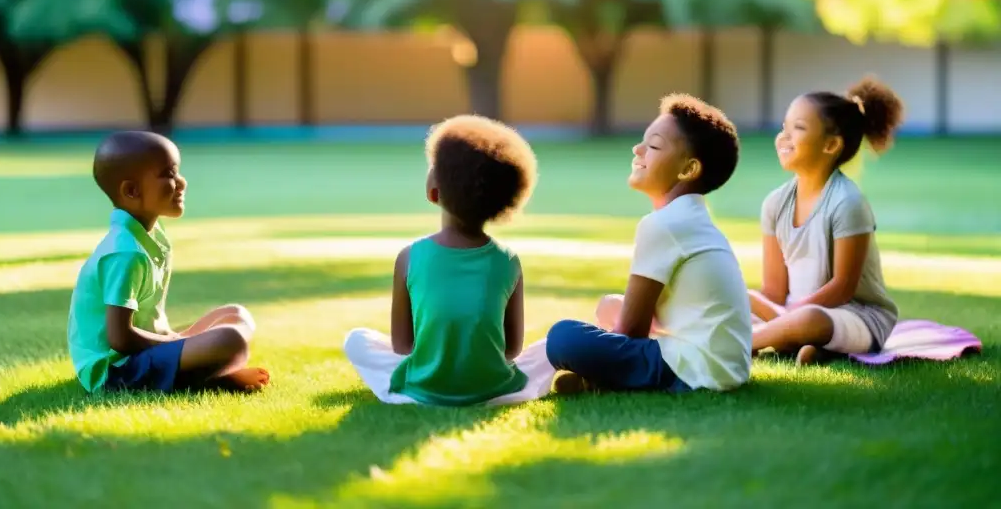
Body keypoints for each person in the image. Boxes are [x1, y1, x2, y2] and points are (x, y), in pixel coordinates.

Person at [546, 94, 752, 395]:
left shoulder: (664, 225)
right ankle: (593, 380)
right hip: (721, 367)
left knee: (562, 338)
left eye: (653, 146)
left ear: (688, 169)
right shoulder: (691, 219)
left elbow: (632, 331)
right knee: (609, 306)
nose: (638, 149)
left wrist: (603, 351)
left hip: (693, 371)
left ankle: (600, 379)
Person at [343, 115, 555, 406]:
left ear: (434, 191)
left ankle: (410, 393)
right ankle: (505, 391)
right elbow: (513, 348)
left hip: (424, 388)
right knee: (551, 345)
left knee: (357, 340)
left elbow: (403, 346)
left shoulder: (409, 257)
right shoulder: (508, 261)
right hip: (494, 389)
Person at [67, 131, 269, 394]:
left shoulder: (152, 234)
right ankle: (214, 378)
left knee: (236, 315)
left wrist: (178, 340)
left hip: (145, 349)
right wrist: (177, 342)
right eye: (169, 174)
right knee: (230, 340)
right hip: (116, 371)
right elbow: (120, 339)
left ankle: (204, 368)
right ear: (132, 191)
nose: (181, 182)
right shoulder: (125, 252)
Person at [750, 76, 905, 365]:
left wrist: (788, 317)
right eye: (784, 127)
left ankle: (750, 342)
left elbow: (843, 287)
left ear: (831, 145)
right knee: (742, 296)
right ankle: (807, 345)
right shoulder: (774, 204)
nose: (784, 136)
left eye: (798, 128)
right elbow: (772, 290)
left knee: (810, 319)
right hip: (794, 313)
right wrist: (774, 313)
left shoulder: (848, 202)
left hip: (856, 316)